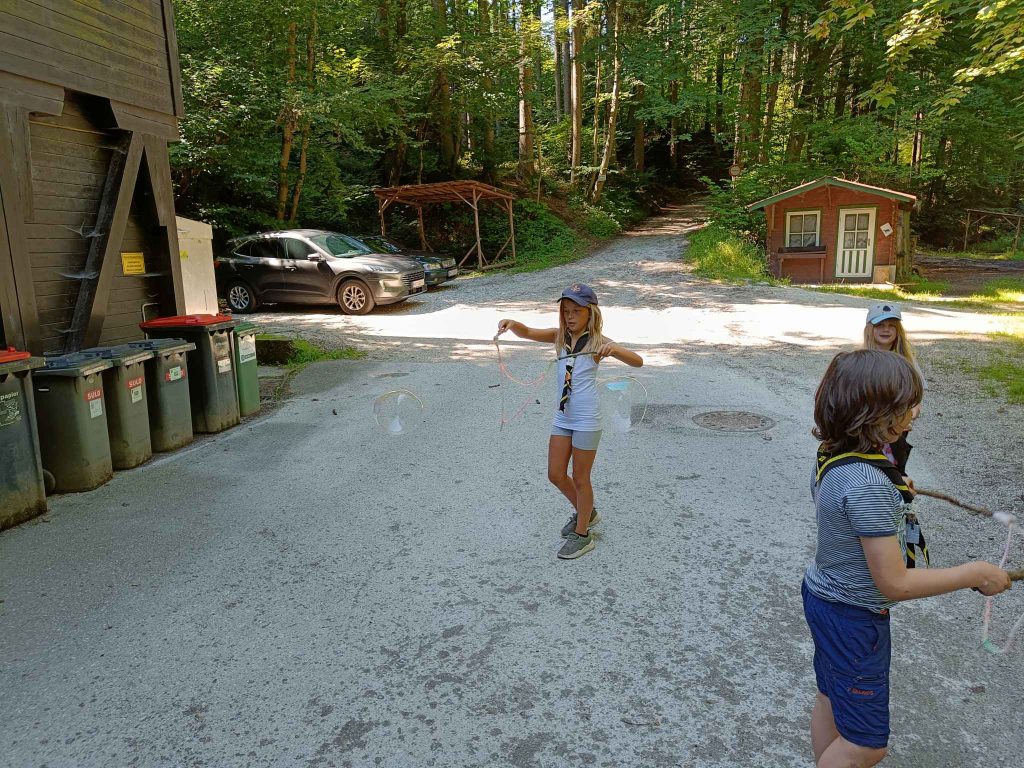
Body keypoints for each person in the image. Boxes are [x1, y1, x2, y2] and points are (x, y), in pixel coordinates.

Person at [803, 349, 1010, 768]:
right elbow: (894, 583)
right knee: (865, 745)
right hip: (854, 618)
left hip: (824, 598)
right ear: (872, 415)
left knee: (831, 696)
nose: (914, 414)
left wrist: (893, 482)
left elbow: (851, 503)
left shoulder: (835, 454)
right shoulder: (868, 486)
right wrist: (975, 573)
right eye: (905, 407)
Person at [496, 283, 643, 559]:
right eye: (566, 311)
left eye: (577, 311)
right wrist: (512, 324)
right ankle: (588, 512)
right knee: (555, 474)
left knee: (581, 477)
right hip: (563, 417)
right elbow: (528, 332)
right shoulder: (558, 337)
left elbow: (638, 361)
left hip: (587, 419)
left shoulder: (597, 342)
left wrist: (614, 350)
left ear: (591, 313)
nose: (570, 316)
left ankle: (583, 535)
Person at [862, 302, 925, 473]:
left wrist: (908, 415)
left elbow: (916, 401)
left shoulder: (908, 362)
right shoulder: (861, 361)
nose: (886, 329)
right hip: (866, 431)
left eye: (892, 326)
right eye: (880, 325)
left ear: (898, 331)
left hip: (895, 434)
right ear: (870, 329)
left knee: (894, 473)